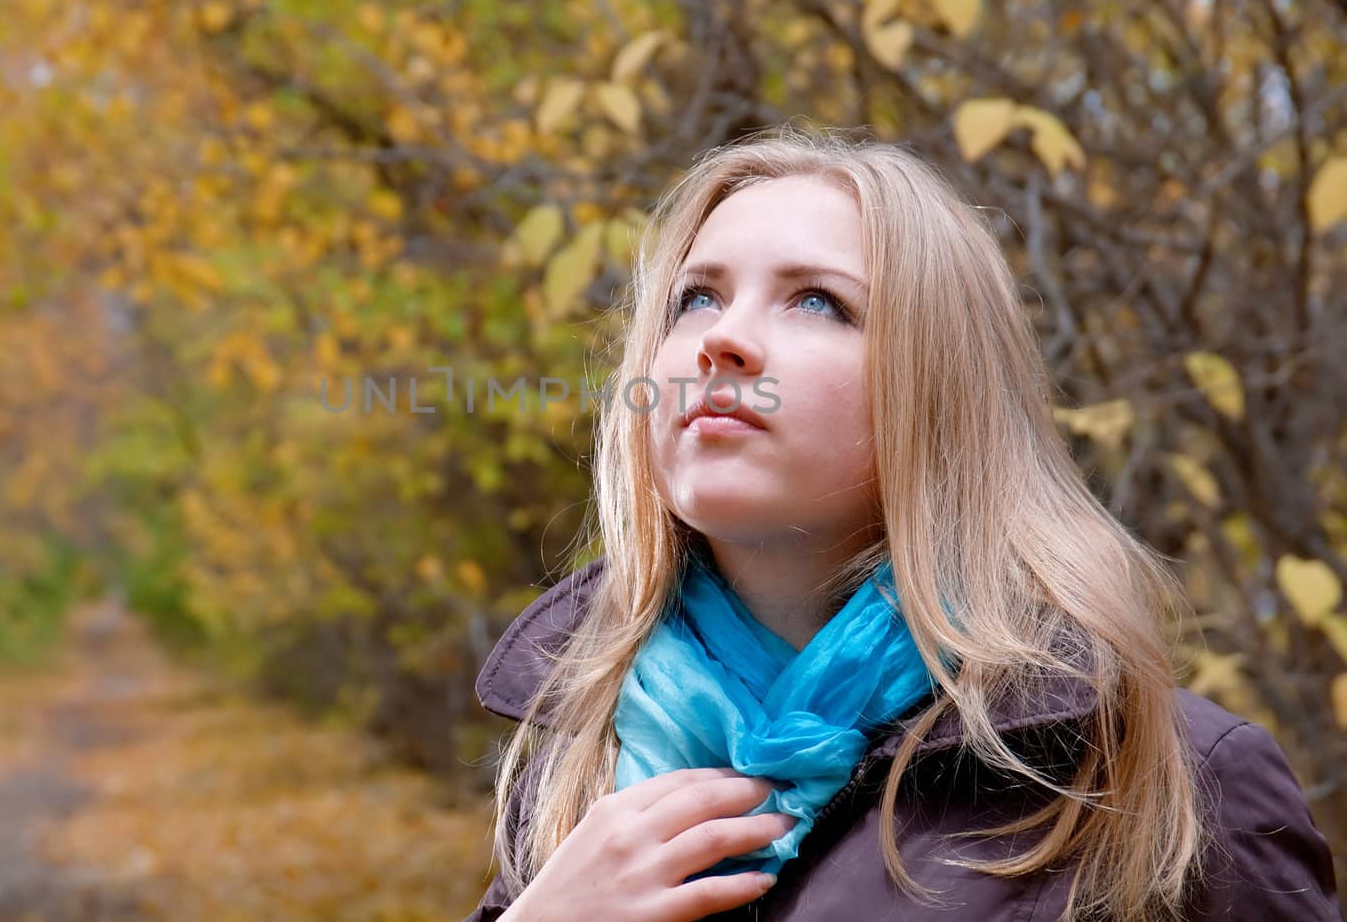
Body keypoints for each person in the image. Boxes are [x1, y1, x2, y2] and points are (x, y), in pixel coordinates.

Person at [461, 127, 1340, 922]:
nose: (721, 341)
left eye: (817, 302)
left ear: (941, 392)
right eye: (697, 298)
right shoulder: (575, 772)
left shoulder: (1166, 781)